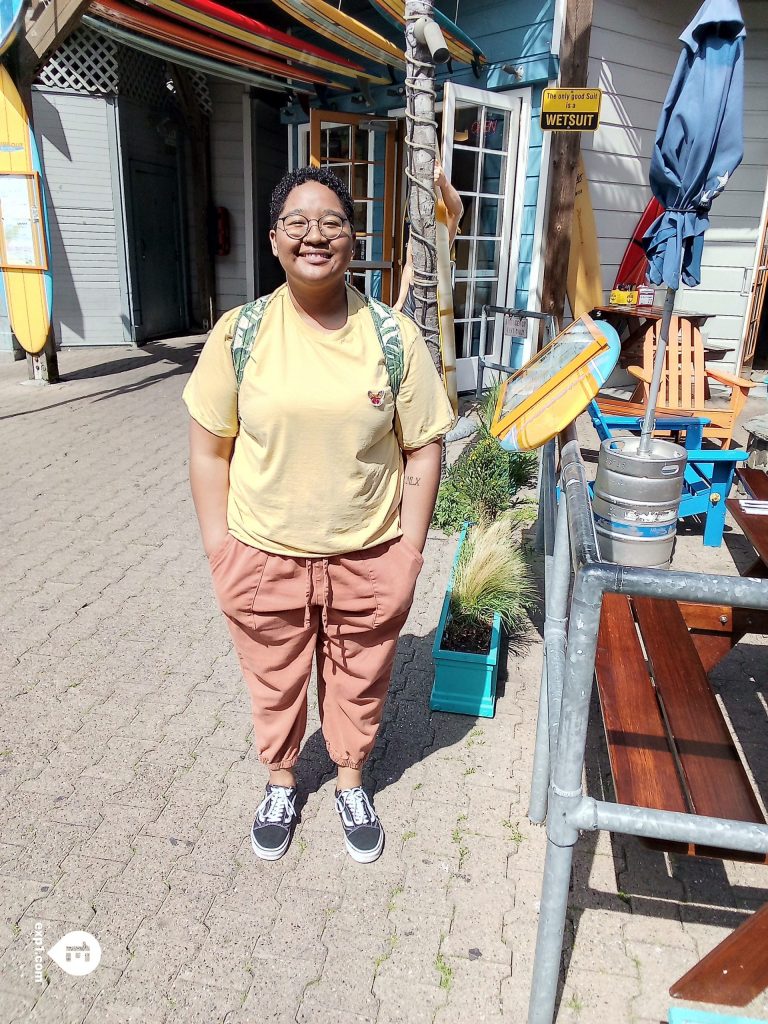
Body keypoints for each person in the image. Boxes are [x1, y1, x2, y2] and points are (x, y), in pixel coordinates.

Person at [183, 166, 455, 864]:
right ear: (274, 239)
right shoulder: (239, 334)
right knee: (273, 683)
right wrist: (220, 549)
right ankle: (281, 781)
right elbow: (209, 450)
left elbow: (424, 446)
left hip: (369, 554)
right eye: (297, 222)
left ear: (353, 239)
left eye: (332, 222)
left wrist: (409, 553)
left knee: (359, 683)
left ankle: (351, 780)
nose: (315, 235)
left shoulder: (391, 336)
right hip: (261, 555)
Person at [393, 157, 464, 319]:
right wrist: (400, 302)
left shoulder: (443, 219)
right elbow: (409, 265)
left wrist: (444, 183)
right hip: (412, 295)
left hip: (433, 297)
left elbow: (457, 211)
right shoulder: (417, 220)